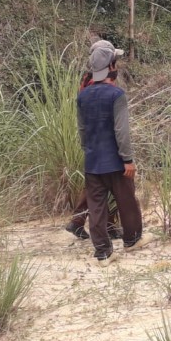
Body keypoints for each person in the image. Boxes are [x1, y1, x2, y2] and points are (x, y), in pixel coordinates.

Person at [76, 40, 153, 265]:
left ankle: (102, 252)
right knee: (127, 200)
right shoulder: (116, 95)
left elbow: (82, 130)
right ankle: (132, 239)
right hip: (116, 161)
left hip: (92, 161)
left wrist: (88, 151)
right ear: (111, 66)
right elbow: (122, 131)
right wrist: (127, 159)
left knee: (96, 206)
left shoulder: (83, 96)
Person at [64, 69, 121, 241]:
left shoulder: (90, 77)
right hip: (102, 138)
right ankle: (105, 227)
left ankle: (81, 221)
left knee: (99, 185)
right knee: (108, 184)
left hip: (94, 139)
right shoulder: (97, 80)